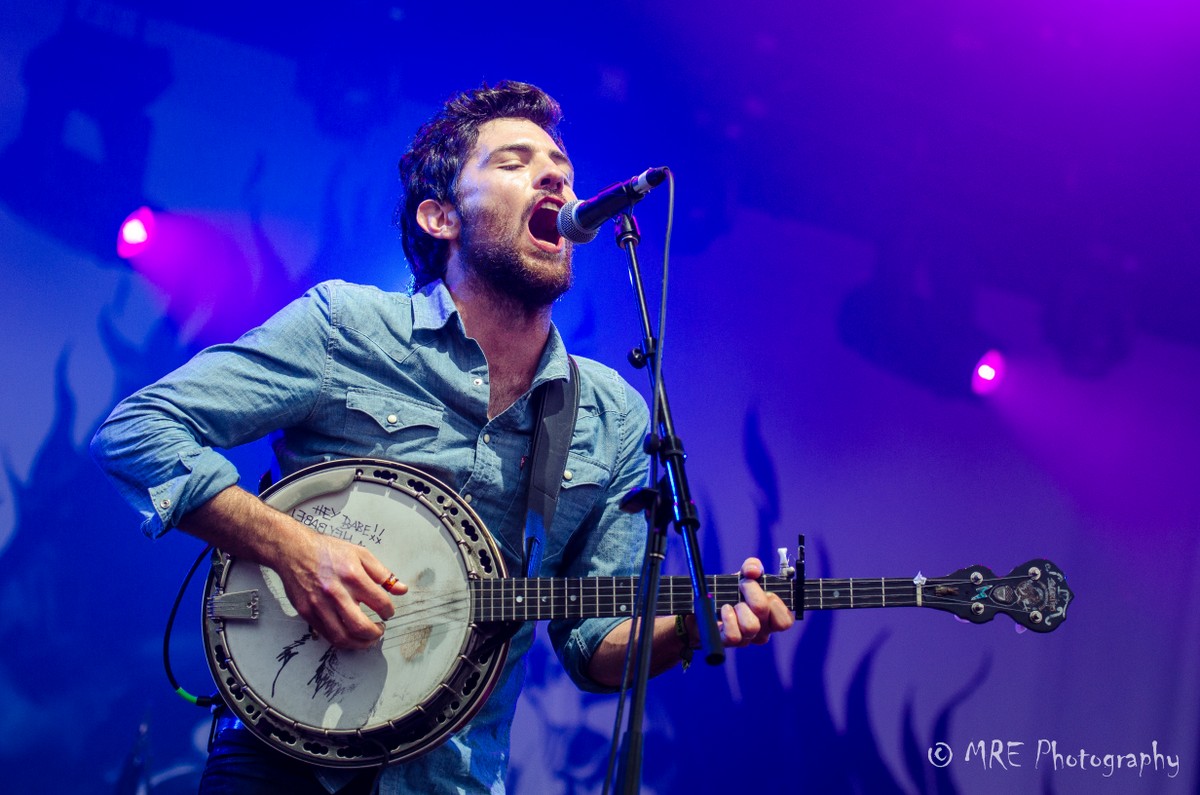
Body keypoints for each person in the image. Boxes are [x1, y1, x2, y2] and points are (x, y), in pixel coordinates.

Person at [91, 80, 793, 794]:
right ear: (440, 217)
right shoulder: (346, 328)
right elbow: (136, 432)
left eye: (561, 167)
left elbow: (593, 647)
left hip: (452, 780)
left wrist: (690, 626)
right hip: (280, 758)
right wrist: (294, 549)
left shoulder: (611, 415)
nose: (555, 177)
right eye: (514, 161)